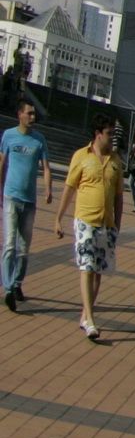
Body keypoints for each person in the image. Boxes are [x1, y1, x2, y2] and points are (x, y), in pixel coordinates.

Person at [53, 113, 123, 340]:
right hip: (85, 220)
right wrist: (58, 217)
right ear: (98, 133)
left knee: (99, 270)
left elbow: (119, 196)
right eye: (109, 133)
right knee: (87, 267)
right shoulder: (81, 157)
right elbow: (69, 187)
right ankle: (91, 319)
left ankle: (85, 314)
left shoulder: (115, 161)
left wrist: (117, 224)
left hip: (107, 223)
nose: (112, 138)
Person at [1, 98, 53, 311]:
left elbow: (47, 167)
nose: (33, 117)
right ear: (19, 115)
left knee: (23, 249)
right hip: (11, 198)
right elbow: (2, 163)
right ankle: (8, 289)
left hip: (30, 201)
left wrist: (49, 189)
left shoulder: (39, 140)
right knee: (9, 245)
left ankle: (17, 283)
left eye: (34, 114)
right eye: (29, 113)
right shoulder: (8, 136)